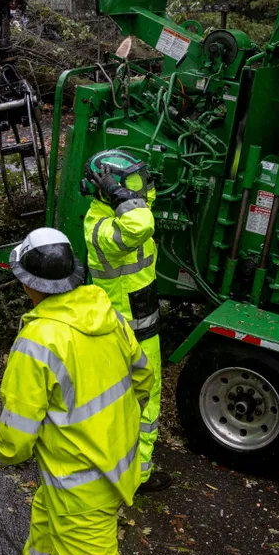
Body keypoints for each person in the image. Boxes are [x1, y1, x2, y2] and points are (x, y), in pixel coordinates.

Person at [0, 228, 199, 555]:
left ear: (27, 283)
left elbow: (15, 442)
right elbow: (143, 378)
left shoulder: (38, 344)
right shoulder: (105, 313)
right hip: (114, 465)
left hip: (80, 486)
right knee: (46, 530)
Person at [82, 149, 169, 492]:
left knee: (122, 403)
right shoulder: (102, 227)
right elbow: (140, 223)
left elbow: (144, 205)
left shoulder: (120, 210)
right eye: (130, 183)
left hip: (134, 322)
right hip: (130, 331)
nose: (139, 188)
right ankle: (137, 476)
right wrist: (121, 195)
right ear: (111, 191)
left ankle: (111, 466)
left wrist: (124, 191)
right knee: (145, 403)